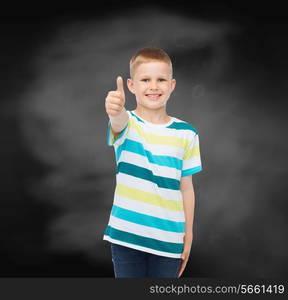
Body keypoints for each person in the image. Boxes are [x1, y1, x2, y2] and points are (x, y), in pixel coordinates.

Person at [103, 47, 202, 278]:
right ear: (131, 86)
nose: (154, 86)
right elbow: (118, 120)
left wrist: (188, 234)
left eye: (161, 80)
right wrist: (115, 110)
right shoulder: (128, 124)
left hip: (169, 241)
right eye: (145, 79)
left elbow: (186, 188)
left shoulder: (187, 133)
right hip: (126, 238)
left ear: (172, 85)